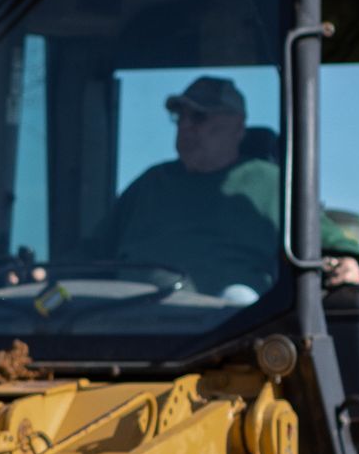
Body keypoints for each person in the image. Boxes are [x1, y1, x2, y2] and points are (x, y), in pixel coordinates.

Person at [103, 74, 282, 298]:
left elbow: (328, 244)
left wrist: (340, 264)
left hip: (235, 325)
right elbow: (93, 252)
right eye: (180, 116)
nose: (185, 126)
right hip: (131, 321)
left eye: (199, 116)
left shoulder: (273, 183)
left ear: (237, 126)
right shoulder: (151, 184)